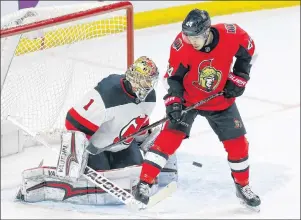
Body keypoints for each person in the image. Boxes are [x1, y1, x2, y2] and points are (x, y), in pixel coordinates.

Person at [133, 9, 261, 211]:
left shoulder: (232, 34)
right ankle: (144, 183)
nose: (190, 41)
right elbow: (173, 78)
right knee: (169, 138)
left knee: (238, 145)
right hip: (188, 100)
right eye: (187, 35)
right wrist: (174, 103)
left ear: (207, 31)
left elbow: (249, 53)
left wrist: (240, 77)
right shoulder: (181, 45)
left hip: (220, 101)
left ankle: (243, 187)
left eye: (194, 37)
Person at [16, 56, 178, 206]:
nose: (149, 87)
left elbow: (141, 124)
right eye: (145, 82)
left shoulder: (149, 97)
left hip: (123, 146)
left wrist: (149, 146)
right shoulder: (108, 93)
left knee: (135, 173)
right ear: (134, 80)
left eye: (151, 82)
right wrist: (76, 155)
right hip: (96, 149)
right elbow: (73, 120)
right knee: (99, 175)